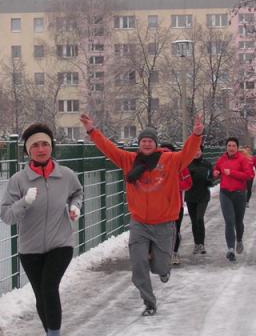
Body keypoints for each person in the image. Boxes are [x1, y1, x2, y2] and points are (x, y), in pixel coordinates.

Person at [80, 113, 203, 316]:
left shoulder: (170, 160)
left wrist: (196, 135)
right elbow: (109, 149)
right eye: (143, 141)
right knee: (138, 266)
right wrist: (92, 131)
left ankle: (163, 269)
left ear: (155, 144)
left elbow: (188, 153)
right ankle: (149, 303)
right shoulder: (129, 160)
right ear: (139, 144)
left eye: (150, 141)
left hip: (164, 223)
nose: (146, 144)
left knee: (159, 267)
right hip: (139, 223)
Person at [0, 123, 83, 336]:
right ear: (28, 151)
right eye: (35, 145)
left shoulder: (66, 175)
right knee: (41, 295)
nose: (41, 149)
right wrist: (24, 202)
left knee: (49, 288)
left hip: (61, 243)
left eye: (45, 144)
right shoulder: (19, 180)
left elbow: (77, 193)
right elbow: (6, 216)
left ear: (51, 147)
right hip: (30, 249)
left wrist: (75, 206)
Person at [212, 137, 254, 262]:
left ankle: (239, 239)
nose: (231, 148)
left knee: (238, 221)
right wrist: (215, 172)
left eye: (233, 146)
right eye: (229, 145)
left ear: (237, 147)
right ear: (226, 147)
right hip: (225, 193)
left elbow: (248, 175)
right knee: (229, 221)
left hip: (239, 193)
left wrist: (231, 172)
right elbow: (216, 169)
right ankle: (230, 249)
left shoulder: (242, 159)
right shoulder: (222, 159)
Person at [160, 142, 193, 266]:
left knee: (175, 229)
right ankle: (161, 253)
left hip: (176, 204)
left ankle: (174, 252)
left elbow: (188, 183)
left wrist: (174, 185)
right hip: (158, 205)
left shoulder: (180, 166)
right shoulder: (155, 166)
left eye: (167, 153)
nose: (165, 155)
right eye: (162, 153)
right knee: (160, 230)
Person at [185, 147, 213, 254]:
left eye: (198, 150)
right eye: (194, 150)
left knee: (199, 218)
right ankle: (196, 244)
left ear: (202, 152)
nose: (196, 152)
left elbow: (212, 176)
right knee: (194, 221)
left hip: (203, 195)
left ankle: (201, 244)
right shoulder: (187, 164)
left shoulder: (207, 164)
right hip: (190, 195)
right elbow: (183, 178)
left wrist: (209, 181)